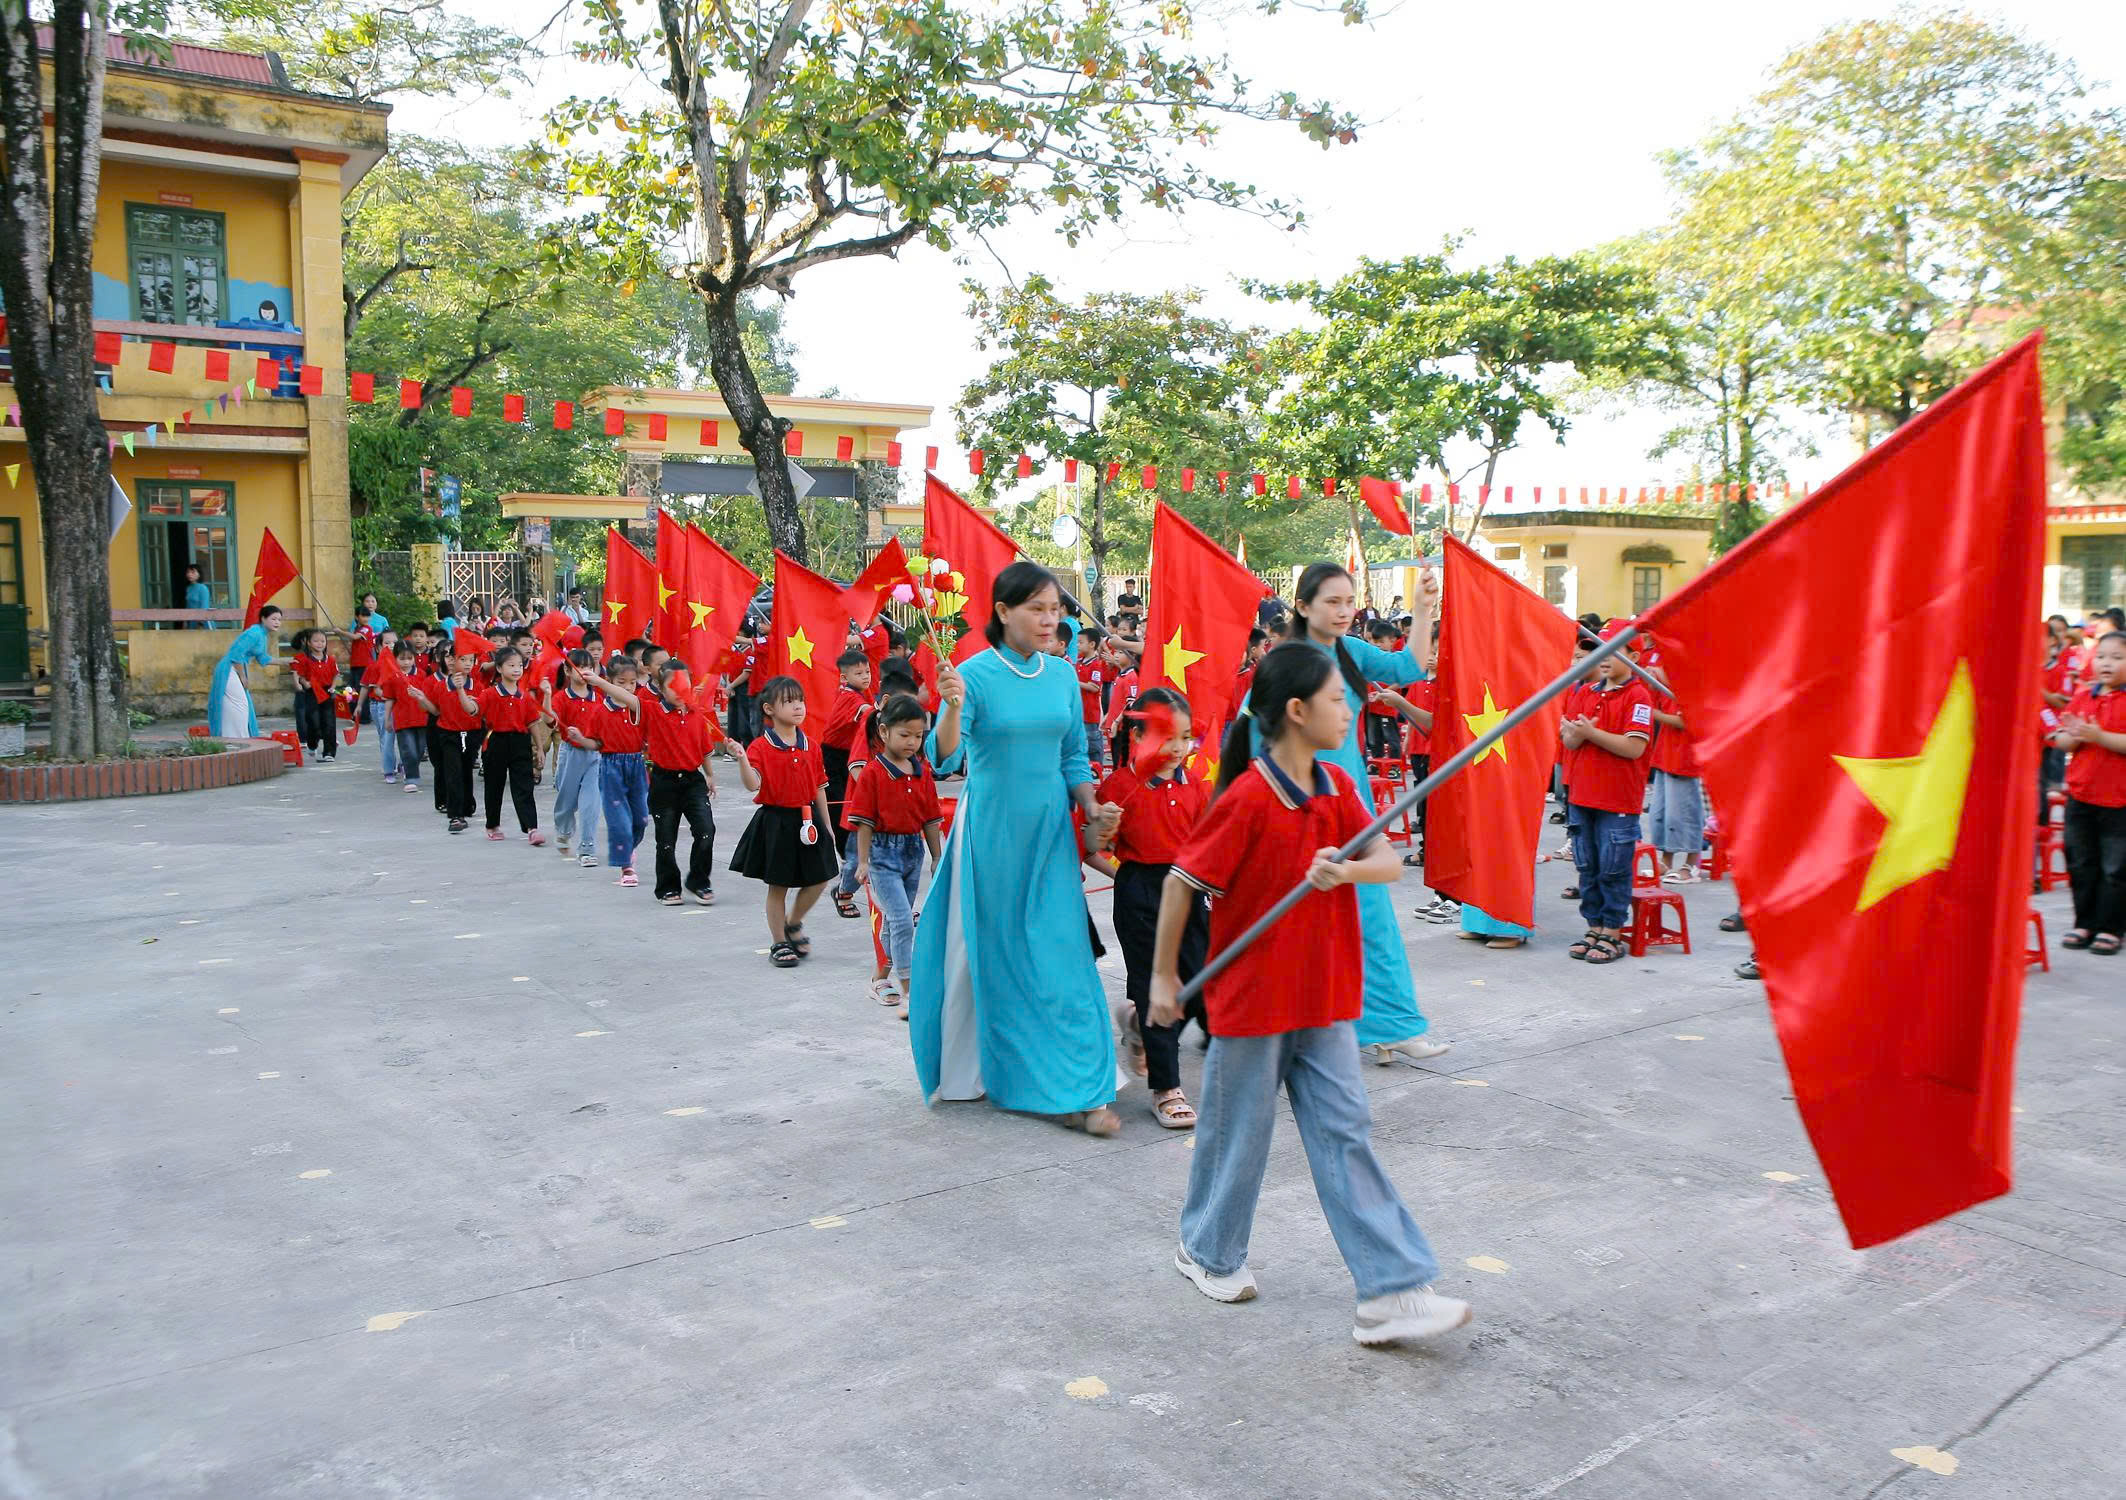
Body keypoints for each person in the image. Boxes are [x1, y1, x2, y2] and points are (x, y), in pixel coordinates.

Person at [1146, 642, 1471, 1344]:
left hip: (1325, 996)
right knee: (1239, 1138)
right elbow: (1181, 883)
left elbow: (1386, 860)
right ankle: (1206, 1250)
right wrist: (1164, 978)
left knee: (1345, 1135)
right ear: (1296, 711)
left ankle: (1390, 1290)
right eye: (1334, 700)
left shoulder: (1336, 786)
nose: (1348, 711)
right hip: (1254, 1003)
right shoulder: (1248, 798)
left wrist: (1343, 872)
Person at [908, 561, 1125, 1135]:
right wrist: (952, 705)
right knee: (1004, 961)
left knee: (1063, 956)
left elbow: (1073, 756)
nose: (1050, 619)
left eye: (1056, 609)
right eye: (1037, 608)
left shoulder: (1062, 675)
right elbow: (943, 758)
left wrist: (1091, 804)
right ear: (1003, 612)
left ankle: (1081, 1084)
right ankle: (1033, 1085)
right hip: (993, 837)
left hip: (1050, 834)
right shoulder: (972, 675)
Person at [1276, 562, 1447, 1064]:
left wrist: (1422, 610)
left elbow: (1409, 668)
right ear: (1303, 606)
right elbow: (1253, 734)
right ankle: (1295, 1030)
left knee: (1372, 918)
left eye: (1349, 602)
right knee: (1301, 924)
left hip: (1352, 808)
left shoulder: (1351, 651)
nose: (1344, 611)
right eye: (1332, 602)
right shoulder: (1284, 662)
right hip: (1297, 807)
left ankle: (1391, 1025)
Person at [1100, 687, 1209, 1129]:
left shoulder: (1196, 785)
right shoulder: (1119, 787)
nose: (1178, 747)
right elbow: (1093, 844)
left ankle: (1140, 1028)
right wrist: (1103, 831)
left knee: (1198, 981)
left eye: (1185, 737)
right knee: (1153, 987)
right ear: (1139, 736)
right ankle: (1166, 1087)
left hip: (1190, 889)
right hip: (1141, 892)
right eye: (1167, 737)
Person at [1560, 621, 1656, 964]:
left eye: (1613, 650)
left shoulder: (1638, 696)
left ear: (1634, 657)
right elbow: (1569, 740)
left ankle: (1612, 931)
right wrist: (1577, 734)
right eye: (1600, 649)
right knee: (1587, 865)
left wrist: (1590, 734)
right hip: (1581, 795)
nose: (1603, 657)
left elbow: (1634, 747)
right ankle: (1594, 926)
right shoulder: (1585, 692)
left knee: (1613, 867)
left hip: (1617, 798)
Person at [731, 674, 840, 966]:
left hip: (809, 819)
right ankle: (779, 942)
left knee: (821, 878)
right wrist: (742, 759)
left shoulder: (811, 745)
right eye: (789, 701)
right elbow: (753, 784)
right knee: (778, 886)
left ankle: (793, 922)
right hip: (776, 822)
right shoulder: (760, 746)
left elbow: (819, 786)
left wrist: (827, 825)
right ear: (769, 709)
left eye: (800, 700)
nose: (798, 707)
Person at [849, 692, 949, 1010]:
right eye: (905, 734)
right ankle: (910, 990)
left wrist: (936, 856)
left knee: (896, 921)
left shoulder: (921, 772)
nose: (912, 742)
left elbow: (931, 818)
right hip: (882, 856)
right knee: (903, 920)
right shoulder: (873, 773)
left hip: (912, 853)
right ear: (884, 731)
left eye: (918, 736)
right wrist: (863, 861)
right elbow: (864, 821)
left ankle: (880, 978)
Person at [2053, 630, 2126, 954]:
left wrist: (2098, 736)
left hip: (2119, 801)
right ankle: (2084, 923)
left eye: (2117, 657)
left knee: (2116, 869)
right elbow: (2063, 740)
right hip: (2081, 797)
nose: (2106, 663)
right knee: (2081, 863)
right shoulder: (2084, 696)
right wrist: (2072, 736)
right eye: (2101, 656)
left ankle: (2111, 928)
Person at [643, 659, 720, 906]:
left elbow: (704, 748)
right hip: (663, 782)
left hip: (693, 781)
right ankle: (667, 887)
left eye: (684, 685)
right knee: (666, 840)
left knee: (706, 831)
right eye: (673, 686)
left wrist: (710, 775)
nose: (679, 691)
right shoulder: (653, 711)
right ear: (660, 687)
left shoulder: (696, 714)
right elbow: (627, 698)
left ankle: (698, 880)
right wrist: (598, 680)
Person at [1640, 639, 1704, 884]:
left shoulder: (1694, 675)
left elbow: (1687, 720)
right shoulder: (1664, 669)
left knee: (1684, 813)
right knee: (1662, 813)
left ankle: (1692, 864)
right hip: (1665, 752)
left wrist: (1653, 712)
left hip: (1685, 755)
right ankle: (1666, 860)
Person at [585, 654, 652, 886]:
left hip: (637, 765)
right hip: (611, 766)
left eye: (632, 682)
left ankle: (628, 848)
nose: (627, 687)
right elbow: (595, 743)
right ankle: (626, 867)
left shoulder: (639, 708)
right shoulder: (600, 712)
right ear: (610, 682)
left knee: (641, 818)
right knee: (619, 820)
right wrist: (580, 739)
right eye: (621, 683)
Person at [467, 647, 545, 844]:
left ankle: (531, 827)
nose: (516, 669)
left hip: (520, 742)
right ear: (499, 668)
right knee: (494, 785)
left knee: (524, 785)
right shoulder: (489, 694)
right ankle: (492, 825)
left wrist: (539, 748)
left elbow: (533, 723)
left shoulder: (525, 696)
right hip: (496, 741)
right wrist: (461, 692)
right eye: (511, 665)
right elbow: (473, 709)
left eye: (519, 665)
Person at [820, 649, 876, 919]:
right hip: (834, 760)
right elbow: (867, 713)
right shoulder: (850, 697)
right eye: (859, 673)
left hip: (851, 756)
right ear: (844, 677)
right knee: (843, 812)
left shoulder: (862, 693)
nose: (865, 676)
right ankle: (849, 862)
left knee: (852, 810)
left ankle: (853, 862)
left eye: (867, 671)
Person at [551, 649, 605, 868]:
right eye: (579, 667)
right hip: (570, 754)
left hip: (594, 756)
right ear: (567, 671)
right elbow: (551, 719)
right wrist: (545, 698)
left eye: (589, 667)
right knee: (566, 801)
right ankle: (564, 831)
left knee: (590, 804)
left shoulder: (599, 699)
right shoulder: (560, 698)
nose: (584, 672)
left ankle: (587, 848)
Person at [207, 605, 287, 738]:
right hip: (229, 669)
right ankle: (238, 737)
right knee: (240, 704)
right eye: (273, 619)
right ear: (263, 618)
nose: (277, 622)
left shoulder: (262, 635)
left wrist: (286, 662)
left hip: (236, 668)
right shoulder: (254, 633)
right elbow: (236, 653)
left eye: (279, 619)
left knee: (233, 704)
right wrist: (242, 676)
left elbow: (262, 658)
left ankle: (231, 736)